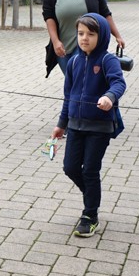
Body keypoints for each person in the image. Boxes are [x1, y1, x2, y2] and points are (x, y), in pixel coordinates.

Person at [50, 13, 126, 237]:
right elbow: (68, 96)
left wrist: (109, 97)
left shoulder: (108, 60)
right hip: (75, 126)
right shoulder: (73, 61)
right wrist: (61, 124)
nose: (84, 38)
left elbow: (119, 83)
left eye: (91, 34)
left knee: (91, 170)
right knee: (70, 168)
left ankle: (90, 215)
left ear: (102, 36)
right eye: (81, 33)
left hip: (99, 127)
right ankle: (92, 197)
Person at [42, 0, 126, 76]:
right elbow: (49, 17)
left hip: (86, 45)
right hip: (62, 47)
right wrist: (55, 41)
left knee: (80, 79)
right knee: (72, 81)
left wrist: (117, 36)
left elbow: (105, 14)